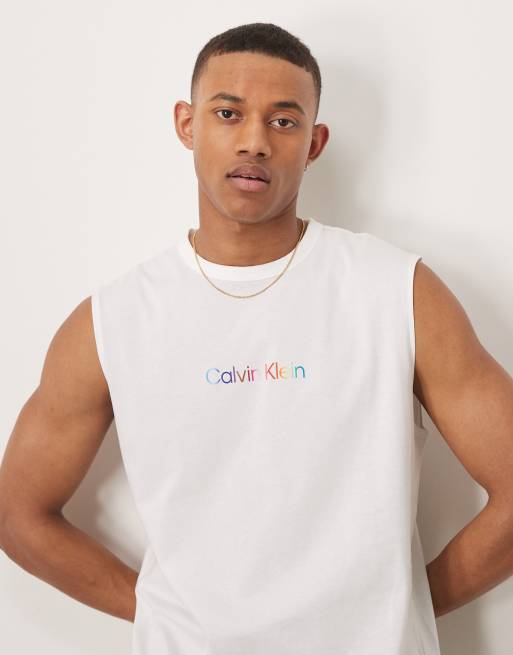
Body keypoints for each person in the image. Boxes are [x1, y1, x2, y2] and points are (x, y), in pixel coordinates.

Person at [1, 21, 513, 655]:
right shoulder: (112, 320)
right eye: (228, 113)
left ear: (314, 143)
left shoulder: (398, 291)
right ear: (187, 124)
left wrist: (399, 606)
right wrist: (168, 615)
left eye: (284, 121)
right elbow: (18, 515)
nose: (254, 142)